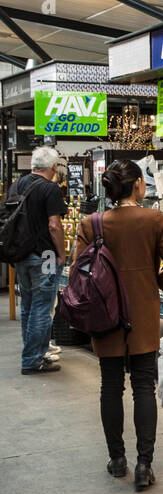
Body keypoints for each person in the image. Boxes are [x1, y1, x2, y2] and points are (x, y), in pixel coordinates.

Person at [76, 161, 163, 489]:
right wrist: (155, 284)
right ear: (138, 184)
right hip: (143, 314)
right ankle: (144, 465)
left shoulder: (91, 223)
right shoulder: (154, 219)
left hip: (104, 316)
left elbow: (76, 273)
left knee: (110, 386)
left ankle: (117, 459)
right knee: (143, 386)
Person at [7, 147, 66, 374]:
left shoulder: (17, 185)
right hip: (46, 255)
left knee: (28, 306)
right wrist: (61, 253)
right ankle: (32, 359)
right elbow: (54, 225)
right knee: (43, 307)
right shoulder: (50, 188)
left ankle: (34, 352)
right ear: (53, 167)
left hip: (21, 254)